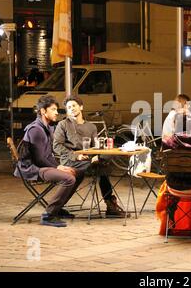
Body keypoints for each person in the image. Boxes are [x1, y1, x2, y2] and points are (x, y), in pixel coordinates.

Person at [53, 95, 127, 217]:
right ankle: (110, 205)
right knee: (102, 167)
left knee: (105, 159)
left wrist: (98, 153)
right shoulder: (63, 124)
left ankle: (110, 206)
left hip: (88, 160)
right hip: (70, 161)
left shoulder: (91, 127)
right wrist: (76, 156)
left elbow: (95, 146)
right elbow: (56, 146)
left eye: (74, 106)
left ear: (81, 107)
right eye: (69, 107)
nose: (71, 109)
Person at [15, 95, 81, 227]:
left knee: (78, 173)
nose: (57, 112)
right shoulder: (36, 129)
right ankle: (48, 215)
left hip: (41, 166)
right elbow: (40, 159)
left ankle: (58, 209)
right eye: (53, 109)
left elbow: (48, 155)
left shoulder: (46, 128)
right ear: (43, 111)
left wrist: (60, 166)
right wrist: (58, 168)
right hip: (33, 169)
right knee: (69, 178)